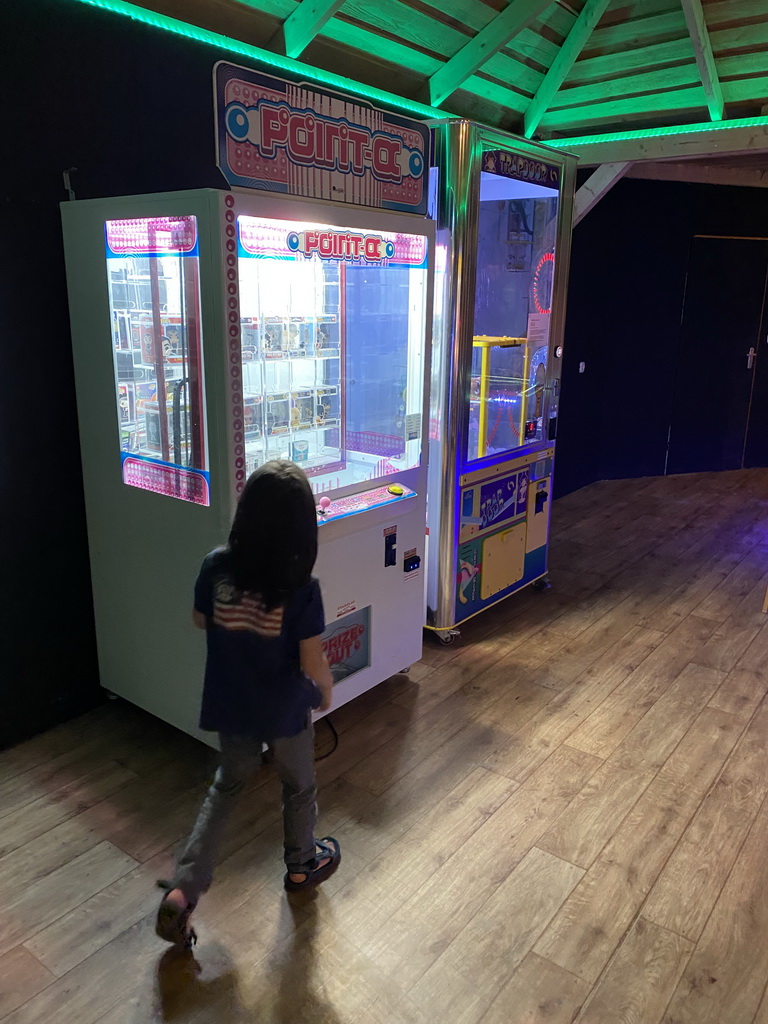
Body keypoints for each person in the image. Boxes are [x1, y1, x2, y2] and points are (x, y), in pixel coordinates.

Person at [155, 461, 340, 948]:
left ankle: (184, 888)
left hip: (231, 702)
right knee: (298, 786)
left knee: (226, 787)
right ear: (303, 530)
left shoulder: (215, 565)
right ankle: (302, 866)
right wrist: (325, 691)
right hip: (285, 711)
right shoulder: (302, 587)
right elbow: (312, 658)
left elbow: (200, 619)